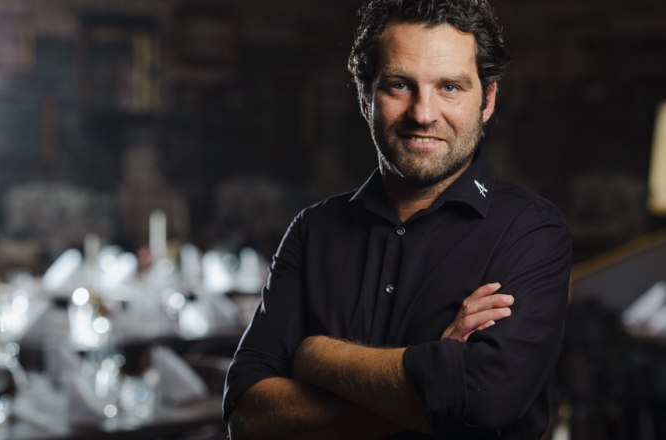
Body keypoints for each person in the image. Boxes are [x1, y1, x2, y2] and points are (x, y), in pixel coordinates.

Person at [224, 0, 572, 438]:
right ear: (364, 96)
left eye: (449, 87)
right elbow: (248, 415)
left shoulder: (531, 231)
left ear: (487, 99)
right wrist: (430, 386)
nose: (423, 114)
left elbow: (487, 399)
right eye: (399, 85)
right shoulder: (312, 232)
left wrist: (315, 357)